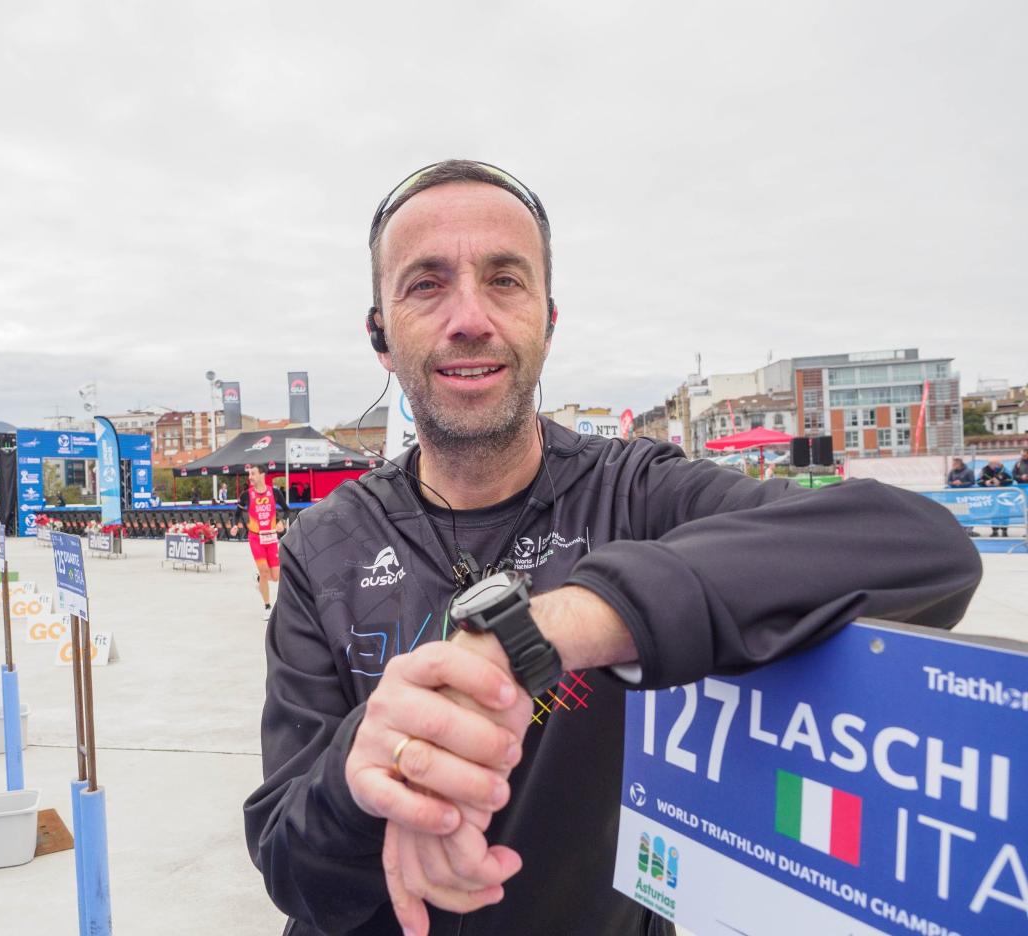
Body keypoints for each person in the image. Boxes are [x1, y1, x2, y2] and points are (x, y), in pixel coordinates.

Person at [242, 161, 982, 936]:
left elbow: (922, 548)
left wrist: (568, 624)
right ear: (380, 337)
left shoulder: (639, 493)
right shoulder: (324, 547)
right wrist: (360, 778)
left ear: (547, 322)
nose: (469, 317)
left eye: (504, 280)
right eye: (426, 284)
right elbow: (292, 870)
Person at [239, 464, 284, 620]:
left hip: (271, 538)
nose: (250, 477)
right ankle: (267, 606)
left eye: (253, 473)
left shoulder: (275, 492)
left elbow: (286, 509)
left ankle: (259, 579)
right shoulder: (246, 495)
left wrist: (281, 522)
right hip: (256, 538)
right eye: (249, 474)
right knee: (265, 572)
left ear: (262, 475)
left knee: (276, 577)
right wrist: (235, 525)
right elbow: (237, 511)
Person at [978, 457, 1013, 536]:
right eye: (993, 464)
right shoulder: (984, 470)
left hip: (1004, 496)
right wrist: (986, 483)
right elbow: (978, 481)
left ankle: (1004, 531)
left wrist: (1000, 483)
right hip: (991, 495)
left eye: (997, 464)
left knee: (1005, 513)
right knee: (993, 513)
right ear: (989, 464)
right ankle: (994, 531)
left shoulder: (1005, 470)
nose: (996, 466)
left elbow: (1011, 481)